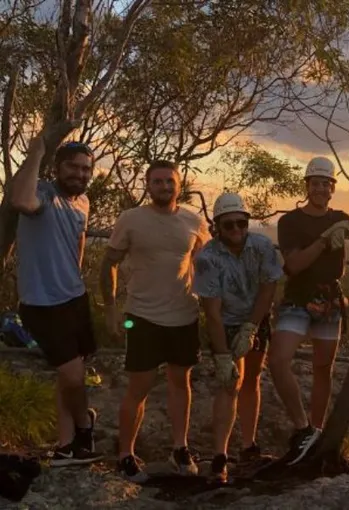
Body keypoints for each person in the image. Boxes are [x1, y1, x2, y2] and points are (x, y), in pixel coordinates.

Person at [100, 160, 211, 481]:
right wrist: (110, 307)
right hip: (143, 315)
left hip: (184, 314)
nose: (164, 186)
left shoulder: (194, 221)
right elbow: (110, 263)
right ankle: (126, 454)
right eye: (158, 181)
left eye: (169, 181)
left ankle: (180, 448)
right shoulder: (131, 219)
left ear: (180, 185)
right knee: (139, 386)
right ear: (147, 185)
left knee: (181, 382)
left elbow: (207, 265)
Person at [269, 156, 349, 466]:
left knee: (323, 368)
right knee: (278, 360)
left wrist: (348, 230)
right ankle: (303, 427)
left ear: (333, 188)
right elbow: (293, 264)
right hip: (299, 296)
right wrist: (322, 241)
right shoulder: (290, 222)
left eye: (326, 184)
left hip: (330, 297)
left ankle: (316, 431)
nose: (320, 188)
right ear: (307, 186)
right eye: (315, 183)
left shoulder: (341, 217)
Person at [10, 132, 101, 466]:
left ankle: (66, 446)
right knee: (73, 375)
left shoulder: (83, 202)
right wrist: (36, 151)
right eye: (73, 168)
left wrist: (76, 278)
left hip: (74, 297)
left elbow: (78, 241)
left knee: (71, 375)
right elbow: (20, 201)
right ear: (58, 168)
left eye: (86, 169)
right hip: (41, 302)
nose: (80, 174)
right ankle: (84, 426)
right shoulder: (43, 194)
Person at [193, 193, 282, 483]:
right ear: (217, 226)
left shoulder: (261, 246)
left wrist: (252, 327)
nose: (236, 230)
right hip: (227, 320)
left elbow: (269, 286)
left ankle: (248, 446)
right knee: (229, 382)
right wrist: (221, 355)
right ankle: (220, 457)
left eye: (241, 223)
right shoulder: (208, 258)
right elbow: (213, 313)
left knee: (252, 378)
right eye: (228, 225)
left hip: (255, 317)